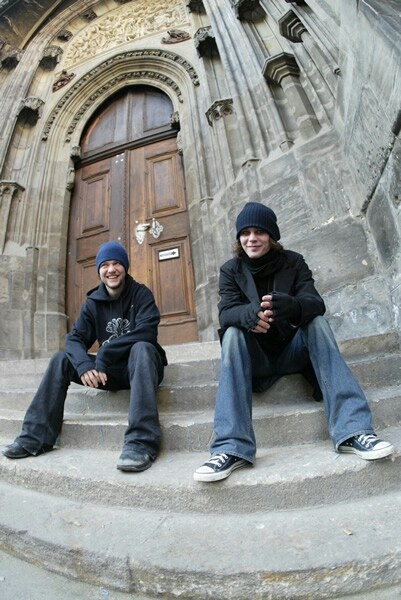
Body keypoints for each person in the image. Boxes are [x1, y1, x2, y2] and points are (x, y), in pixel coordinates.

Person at [194, 202, 394, 482]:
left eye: (260, 232)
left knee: (317, 322)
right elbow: (226, 312)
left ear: (272, 236)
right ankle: (230, 447)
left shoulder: (294, 262)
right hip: (256, 359)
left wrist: (293, 307)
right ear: (239, 238)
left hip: (293, 352)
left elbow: (315, 303)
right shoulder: (231, 270)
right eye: (246, 232)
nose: (252, 238)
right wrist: (247, 314)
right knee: (232, 332)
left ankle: (353, 430)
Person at [2, 241, 167, 473]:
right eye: (106, 264)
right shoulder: (93, 302)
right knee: (61, 360)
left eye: (117, 263)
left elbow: (147, 331)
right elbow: (74, 339)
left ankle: (141, 443)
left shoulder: (140, 293)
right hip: (109, 373)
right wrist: (82, 365)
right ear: (99, 270)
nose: (111, 269)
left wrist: (105, 353)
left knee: (141, 347)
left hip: (142, 368)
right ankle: (35, 438)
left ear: (125, 267)